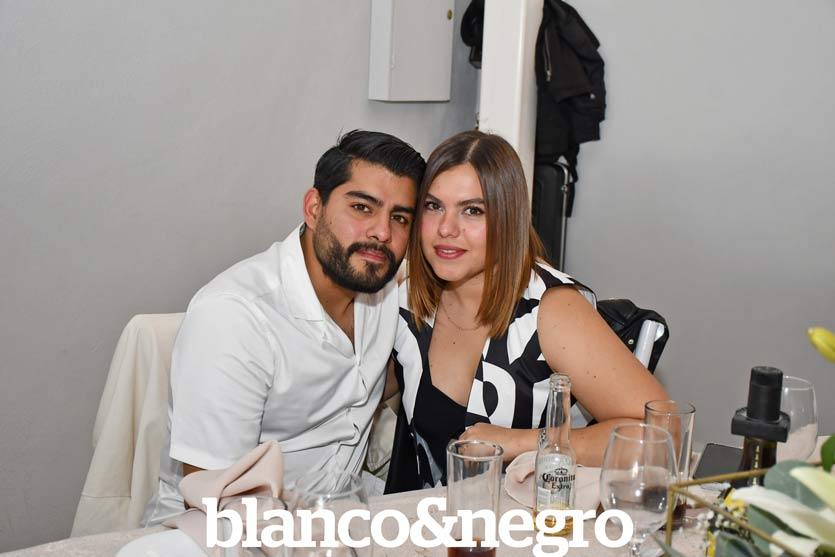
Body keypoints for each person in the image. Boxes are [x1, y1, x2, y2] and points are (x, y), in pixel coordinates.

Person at [144, 130, 425, 524]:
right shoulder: (235, 318)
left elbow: (376, 378)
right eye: (362, 208)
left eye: (400, 218)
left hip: (340, 516)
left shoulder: (386, 291)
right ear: (314, 208)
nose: (382, 233)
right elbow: (217, 499)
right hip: (228, 532)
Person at [385, 130, 669, 491]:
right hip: (429, 519)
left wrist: (519, 442)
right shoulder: (408, 296)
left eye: (473, 210)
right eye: (433, 206)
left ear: (508, 219)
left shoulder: (551, 311)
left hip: (526, 520)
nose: (446, 229)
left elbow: (661, 433)